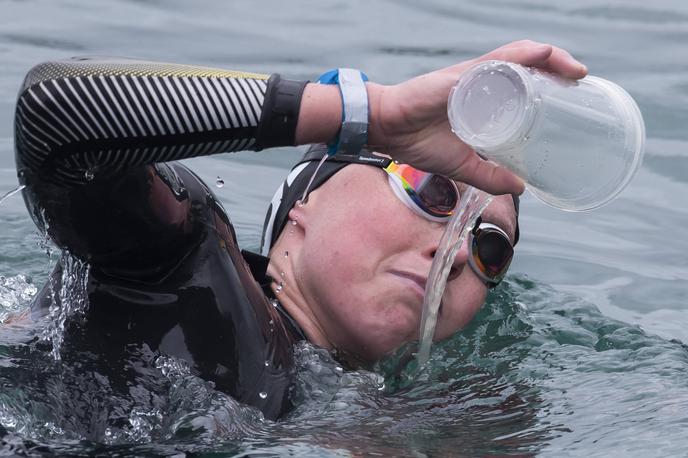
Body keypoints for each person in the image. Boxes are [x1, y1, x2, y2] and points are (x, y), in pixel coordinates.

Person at [12, 40, 587, 422]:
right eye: (431, 192)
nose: (458, 252)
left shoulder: (387, 415)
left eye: (492, 246)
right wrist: (370, 113)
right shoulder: (177, 265)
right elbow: (58, 113)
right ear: (306, 199)